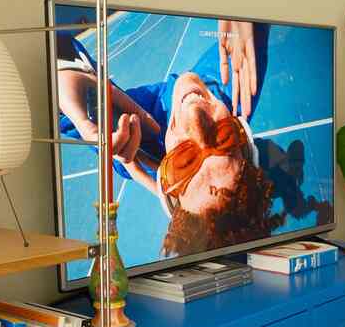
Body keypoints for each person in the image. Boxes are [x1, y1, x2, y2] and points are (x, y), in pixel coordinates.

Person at [56, 18, 284, 258]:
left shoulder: (129, 145)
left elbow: (52, 50)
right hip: (204, 102)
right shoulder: (238, 87)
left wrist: (74, 77)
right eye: (223, 138)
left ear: (166, 175)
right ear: (241, 133)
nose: (195, 115)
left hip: (152, 137)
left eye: (185, 162)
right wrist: (249, 9)